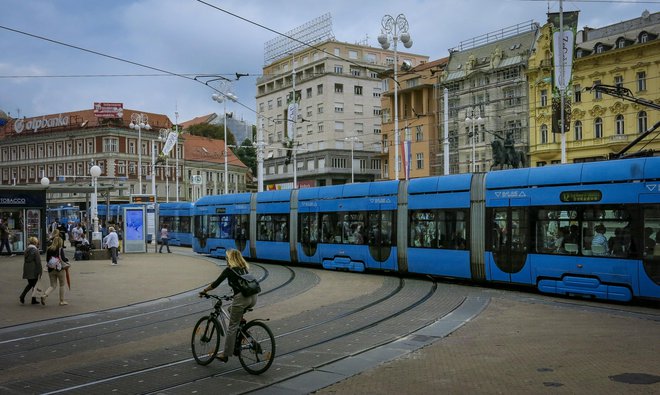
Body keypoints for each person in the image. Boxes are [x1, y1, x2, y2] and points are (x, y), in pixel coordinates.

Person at [199, 249, 257, 363]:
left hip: (242, 298)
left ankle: (225, 354)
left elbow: (215, 284)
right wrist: (232, 295)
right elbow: (242, 285)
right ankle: (244, 332)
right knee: (232, 309)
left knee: (232, 327)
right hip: (253, 297)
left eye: (227, 257)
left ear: (230, 258)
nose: (226, 259)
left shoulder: (229, 270)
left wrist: (204, 291)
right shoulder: (244, 268)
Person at [43, 236, 69, 306]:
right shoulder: (60, 249)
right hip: (59, 269)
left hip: (51, 269)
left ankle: (45, 295)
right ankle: (61, 301)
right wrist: (67, 260)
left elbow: (47, 260)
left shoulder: (49, 249)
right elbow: (63, 259)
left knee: (52, 285)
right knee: (62, 285)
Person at [19, 237, 43, 305]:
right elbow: (38, 262)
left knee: (31, 284)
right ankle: (23, 296)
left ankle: (33, 299)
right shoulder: (35, 250)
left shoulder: (27, 250)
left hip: (27, 269)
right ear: (35, 242)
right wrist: (40, 271)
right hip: (34, 270)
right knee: (33, 284)